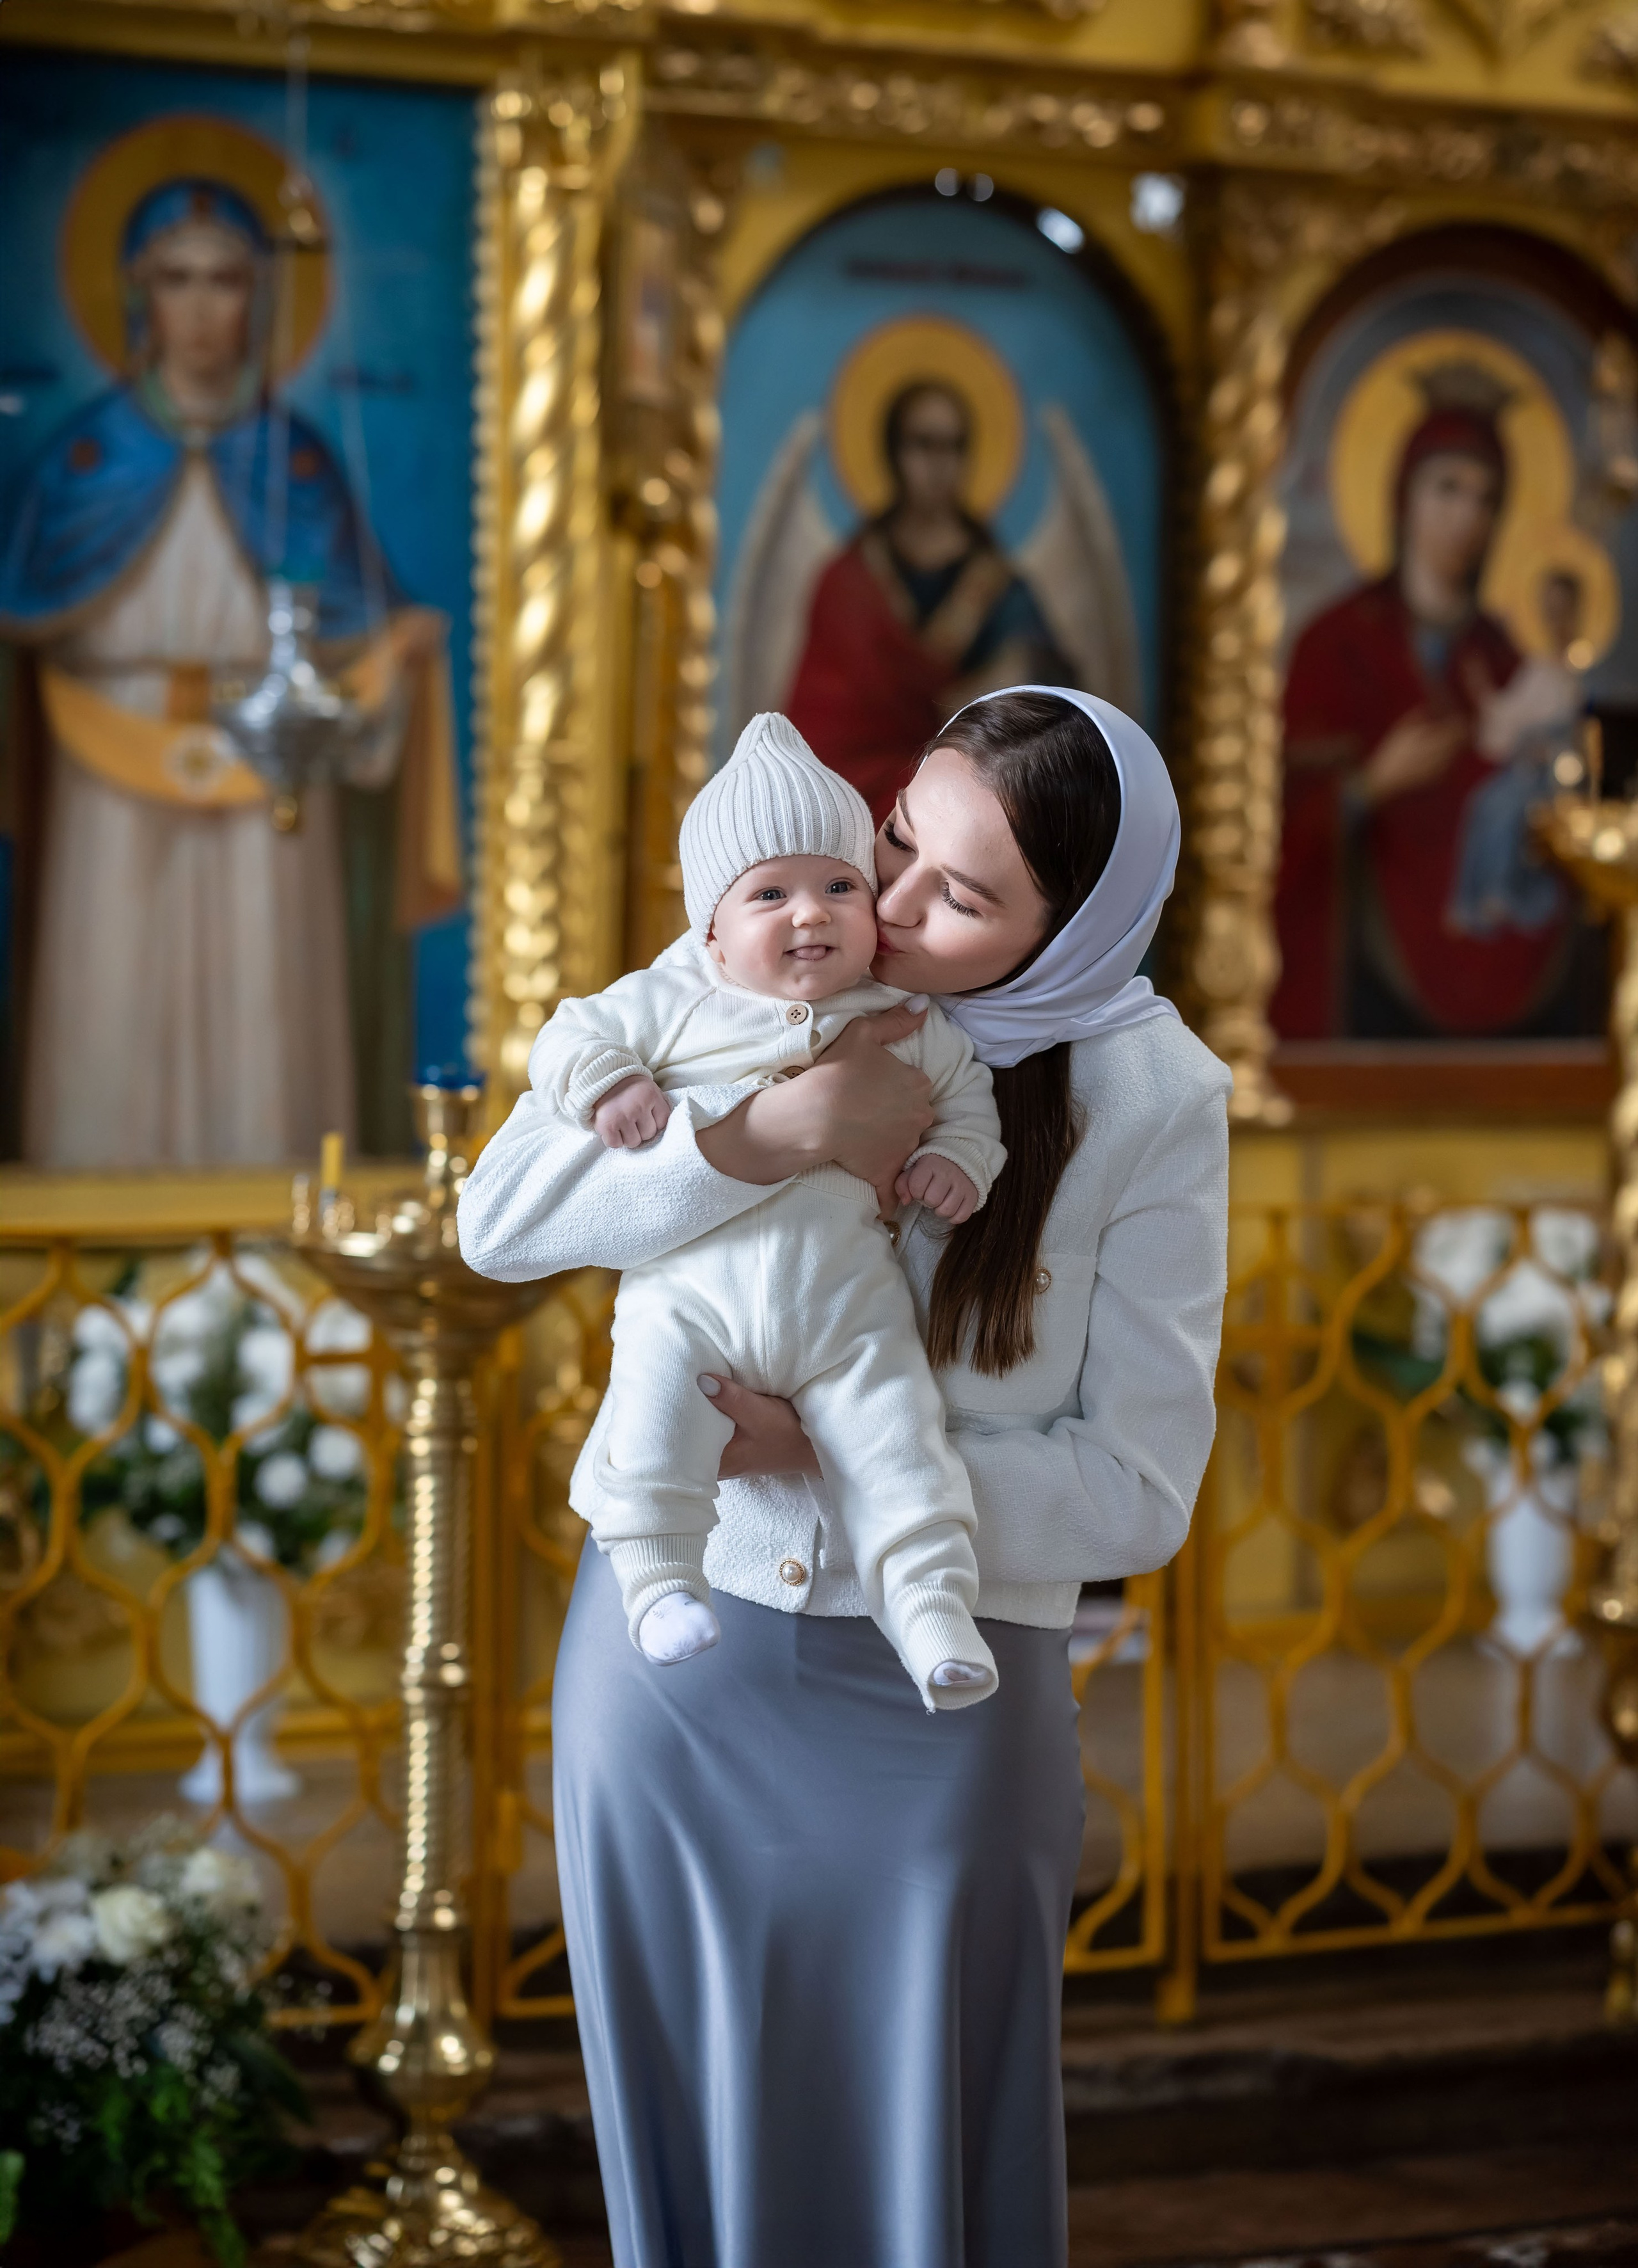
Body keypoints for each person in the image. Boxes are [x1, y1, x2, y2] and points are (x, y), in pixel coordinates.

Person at [459, 685, 1230, 2268]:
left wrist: (821, 1461)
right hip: (680, 1670)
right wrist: (757, 1135)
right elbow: (501, 1220)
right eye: (897, 843)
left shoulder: (1154, 1101)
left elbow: (1135, 1490)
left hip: (940, 1710)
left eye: (961, 895)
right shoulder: (753, 950)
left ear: (1074, 923)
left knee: (921, 2172)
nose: (878, 906)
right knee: (693, 2165)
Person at [529, 710, 1005, 1707]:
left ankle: (930, 1611)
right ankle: (658, 1581)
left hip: (846, 1312)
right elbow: (569, 1035)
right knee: (652, 1409)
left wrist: (961, 1157)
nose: (811, 914)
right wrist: (610, 1083)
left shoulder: (899, 1020)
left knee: (897, 1435)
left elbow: (967, 1099)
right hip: (692, 1299)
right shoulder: (674, 1000)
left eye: (841, 886)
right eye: (771, 894)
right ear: (712, 927)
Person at [0, 176, 459, 1166]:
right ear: (137, 295)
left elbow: (362, 623)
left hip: (273, 765)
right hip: (104, 768)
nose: (202, 306)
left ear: (260, 300)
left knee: (268, 1001)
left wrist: (396, 654)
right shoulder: (84, 463)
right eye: (177, 279)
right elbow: (25, 612)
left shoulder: (294, 464)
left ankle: (281, 1246)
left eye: (226, 280)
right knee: (110, 992)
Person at [1273, 362, 1576, 1040]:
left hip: (1506, 974)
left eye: (1485, 498)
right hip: (1366, 978)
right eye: (1447, 489)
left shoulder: (1501, 654)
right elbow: (1273, 823)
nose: (1465, 517)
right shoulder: (1337, 642)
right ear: (1402, 497)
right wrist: (1370, 785)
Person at [786, 379, 1071, 824]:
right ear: (894, 453)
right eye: (924, 444)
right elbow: (818, 726)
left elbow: (1056, 703)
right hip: (854, 804)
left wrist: (1015, 676)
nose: (940, 464)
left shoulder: (996, 586)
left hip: (967, 808)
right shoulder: (848, 583)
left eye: (954, 447)